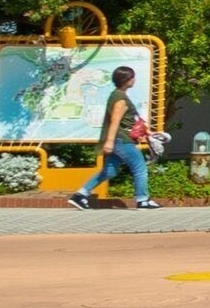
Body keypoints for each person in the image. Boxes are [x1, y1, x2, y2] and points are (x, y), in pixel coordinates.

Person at [68, 64, 161, 210]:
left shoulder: (118, 95)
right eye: (132, 77)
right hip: (121, 140)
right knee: (140, 168)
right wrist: (110, 142)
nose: (134, 79)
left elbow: (131, 120)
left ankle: (80, 195)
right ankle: (142, 200)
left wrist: (148, 133)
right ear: (126, 80)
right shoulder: (120, 98)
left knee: (110, 171)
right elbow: (115, 121)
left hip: (119, 139)